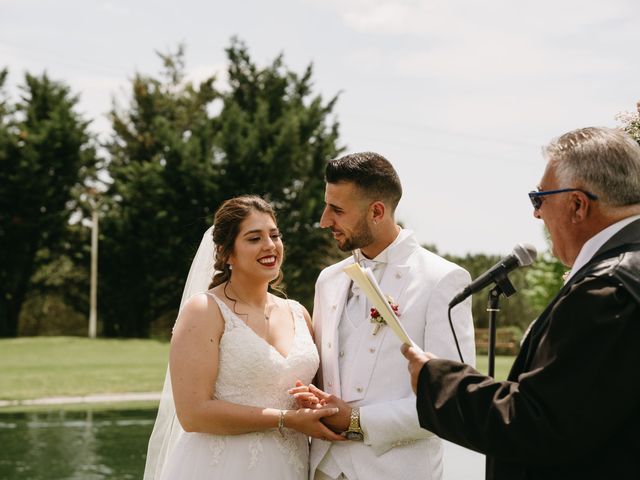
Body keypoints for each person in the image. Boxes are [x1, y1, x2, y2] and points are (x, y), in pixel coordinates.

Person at [402, 127, 640, 480]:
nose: (536, 214)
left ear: (577, 204)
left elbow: (540, 424)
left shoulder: (607, 288)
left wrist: (435, 380)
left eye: (539, 198)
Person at [291, 152, 476, 480]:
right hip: (322, 468)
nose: (323, 221)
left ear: (377, 211)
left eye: (337, 210)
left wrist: (356, 421)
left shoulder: (442, 280)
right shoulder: (329, 281)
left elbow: (452, 399)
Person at [144, 195, 344, 480]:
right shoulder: (205, 311)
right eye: (254, 238)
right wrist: (287, 420)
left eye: (274, 235)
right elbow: (192, 414)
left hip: (290, 466)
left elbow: (310, 391)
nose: (270, 245)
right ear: (226, 253)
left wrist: (311, 404)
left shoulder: (299, 313)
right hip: (222, 467)